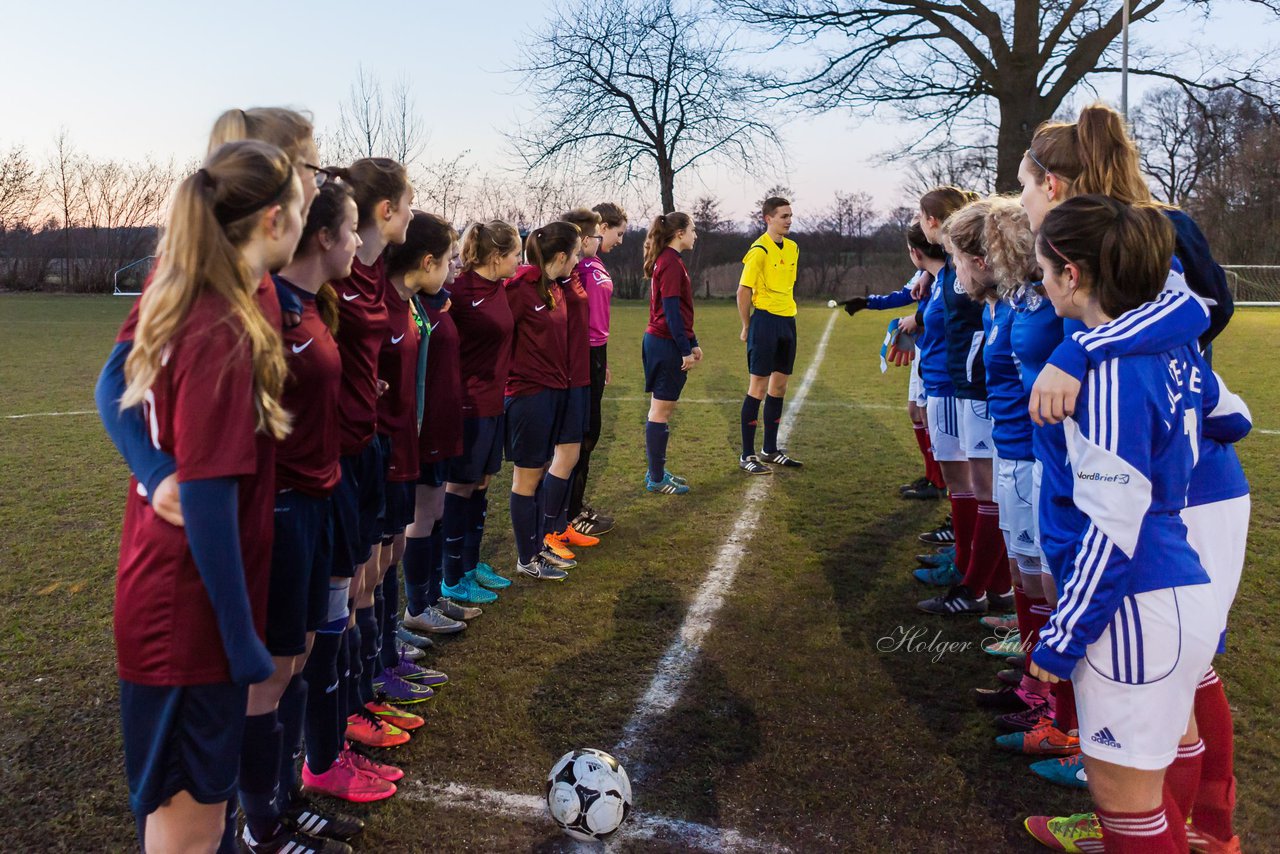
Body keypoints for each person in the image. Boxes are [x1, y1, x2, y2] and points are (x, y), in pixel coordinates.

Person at [108, 140, 302, 852]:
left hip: (182, 604)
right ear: (276, 217)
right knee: (186, 833)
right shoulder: (220, 323)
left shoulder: (229, 293)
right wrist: (239, 636)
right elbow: (209, 501)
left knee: (196, 822)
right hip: (187, 616)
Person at [1027, 196, 1223, 853]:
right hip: (1178, 589)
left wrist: (1063, 635)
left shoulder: (1105, 377)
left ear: (1073, 275)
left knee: (1128, 811)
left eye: (1044, 272)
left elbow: (1113, 527)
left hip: (1136, 604)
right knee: (1149, 797)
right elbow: (1233, 413)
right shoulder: (1174, 349)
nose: (1042, 284)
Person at [317, 158, 417, 767]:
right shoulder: (338, 272)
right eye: (408, 202)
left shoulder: (375, 273)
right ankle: (339, 725)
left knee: (364, 581)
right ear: (386, 210)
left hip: (370, 442)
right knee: (340, 594)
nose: (412, 212)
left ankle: (361, 697)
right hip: (338, 454)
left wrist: (371, 385)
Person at [914, 188, 1012, 618]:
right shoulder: (954, 279)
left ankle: (980, 583)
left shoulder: (995, 291)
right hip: (962, 386)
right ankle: (982, 576)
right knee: (980, 487)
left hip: (969, 390)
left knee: (985, 490)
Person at [441, 221, 521, 599]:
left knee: (484, 483)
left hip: (494, 402)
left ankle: (472, 565)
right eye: (515, 255)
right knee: (460, 485)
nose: (519, 262)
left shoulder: (499, 288)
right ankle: (451, 576)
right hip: (467, 405)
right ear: (495, 257)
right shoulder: (459, 292)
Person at [841, 223, 946, 501]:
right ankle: (932, 476)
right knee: (915, 412)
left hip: (935, 349)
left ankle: (940, 481)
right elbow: (903, 295)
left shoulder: (949, 272)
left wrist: (919, 320)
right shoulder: (928, 272)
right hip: (924, 345)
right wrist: (868, 302)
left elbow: (944, 309)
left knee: (927, 416)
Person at [503, 222, 584, 580]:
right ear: (562, 256)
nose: (579, 260)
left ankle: (537, 549)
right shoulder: (519, 289)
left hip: (552, 392)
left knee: (537, 476)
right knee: (526, 478)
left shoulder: (555, 288)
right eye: (576, 253)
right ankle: (526, 557)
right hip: (527, 396)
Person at [545, 208, 605, 559]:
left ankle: (560, 525)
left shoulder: (572, 278)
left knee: (574, 448)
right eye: (595, 235)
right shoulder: (550, 284)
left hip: (582, 371)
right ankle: (549, 531)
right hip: (566, 374)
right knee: (561, 454)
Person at [566, 202, 628, 537]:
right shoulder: (578, 267)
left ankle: (574, 506)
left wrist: (603, 360)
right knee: (583, 434)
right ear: (601, 228)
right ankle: (569, 513)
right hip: (583, 355)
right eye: (618, 233)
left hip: (596, 353)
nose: (620, 240)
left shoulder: (596, 262)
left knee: (590, 432)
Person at [737, 196, 802, 473]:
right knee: (759, 387)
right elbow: (743, 291)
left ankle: (770, 449)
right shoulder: (758, 251)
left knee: (780, 387)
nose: (788, 220)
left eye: (790, 215)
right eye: (783, 216)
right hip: (764, 322)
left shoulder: (793, 248)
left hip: (788, 322)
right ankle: (747, 455)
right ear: (768, 219)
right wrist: (746, 325)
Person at [642, 212, 702, 495]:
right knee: (661, 411)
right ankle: (656, 477)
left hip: (663, 341)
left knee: (660, 409)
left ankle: (656, 470)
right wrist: (684, 349)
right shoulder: (671, 263)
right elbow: (671, 312)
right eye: (692, 230)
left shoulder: (671, 261)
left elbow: (680, 312)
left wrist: (693, 341)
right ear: (679, 233)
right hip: (665, 343)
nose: (695, 235)